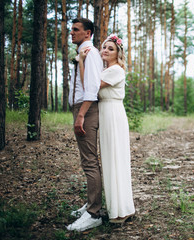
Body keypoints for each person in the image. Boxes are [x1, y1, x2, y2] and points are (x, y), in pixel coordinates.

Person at [78, 34, 135, 223]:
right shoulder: (105, 70)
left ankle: (121, 209)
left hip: (113, 114)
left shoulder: (116, 70)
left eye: (110, 49)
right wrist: (82, 63)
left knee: (115, 159)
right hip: (105, 112)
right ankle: (113, 206)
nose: (105, 50)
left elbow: (91, 87)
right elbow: (87, 85)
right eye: (103, 47)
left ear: (118, 53)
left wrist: (81, 62)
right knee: (110, 160)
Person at [66, 18, 103, 232]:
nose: (71, 33)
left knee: (89, 162)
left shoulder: (91, 52)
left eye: (76, 30)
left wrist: (80, 115)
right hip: (82, 108)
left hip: (86, 110)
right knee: (87, 160)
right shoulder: (83, 53)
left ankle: (94, 213)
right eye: (71, 29)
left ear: (87, 33)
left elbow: (92, 87)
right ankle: (91, 203)